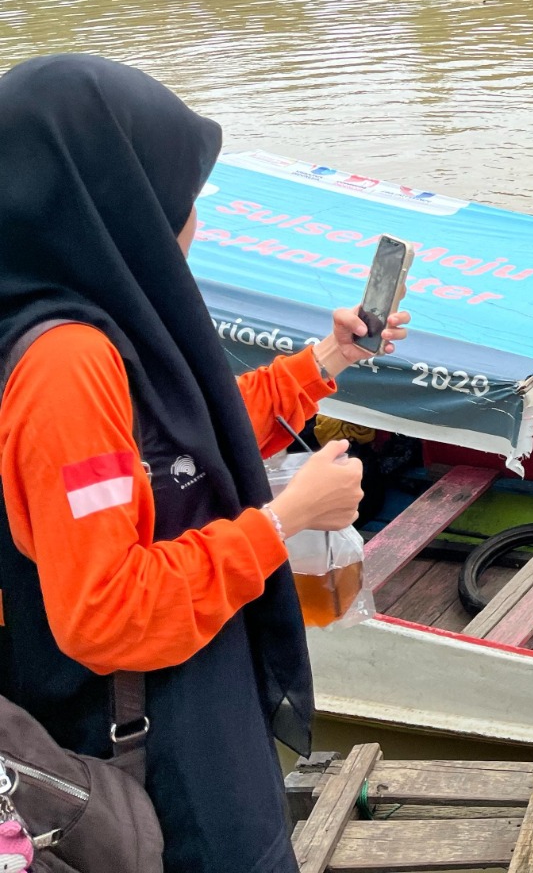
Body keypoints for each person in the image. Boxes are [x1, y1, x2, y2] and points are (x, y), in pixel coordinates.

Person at [0, 54, 411, 873]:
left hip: (190, 713)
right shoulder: (65, 365)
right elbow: (104, 614)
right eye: (181, 198)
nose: (193, 224)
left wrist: (324, 361)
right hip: (151, 759)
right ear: (111, 203)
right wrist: (283, 521)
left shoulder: (79, 314)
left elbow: (172, 455)